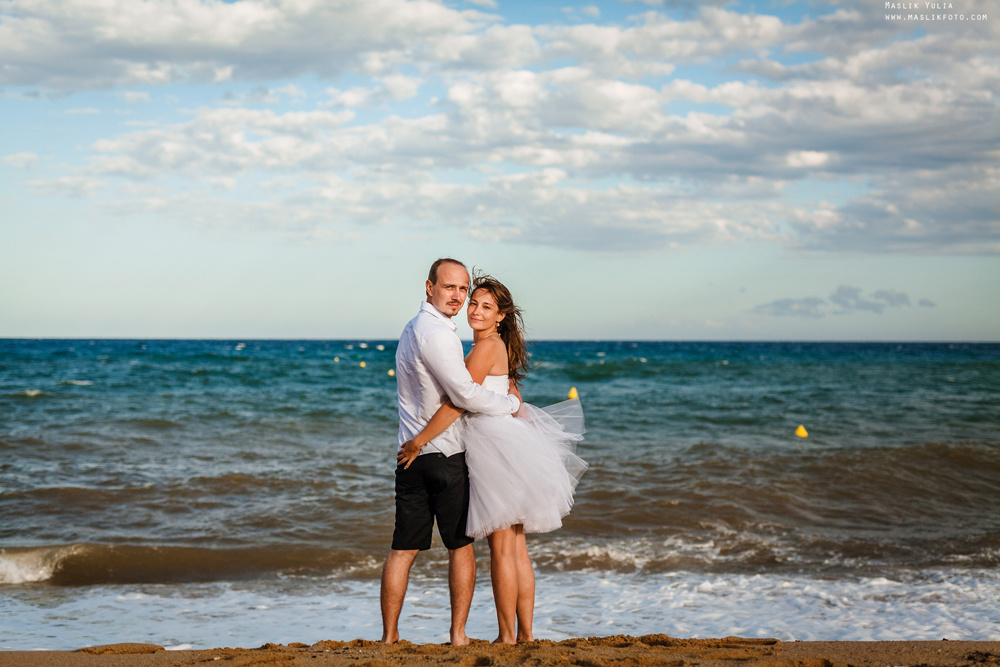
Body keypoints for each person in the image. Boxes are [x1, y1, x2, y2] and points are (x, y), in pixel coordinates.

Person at [398, 273, 587, 644]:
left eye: (487, 307)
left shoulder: (485, 348)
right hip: (509, 444)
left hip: (494, 448)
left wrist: (419, 440)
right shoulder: (497, 346)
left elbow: (458, 401)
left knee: (503, 548)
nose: (476, 311)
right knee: (516, 547)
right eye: (474, 303)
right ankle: (526, 635)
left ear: (500, 316)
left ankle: (507, 636)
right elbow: (510, 391)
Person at [380, 258, 522, 646]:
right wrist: (509, 404)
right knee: (460, 548)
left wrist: (415, 441)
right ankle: (459, 635)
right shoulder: (440, 335)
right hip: (443, 453)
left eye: (463, 289)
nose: (458, 297)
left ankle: (390, 636)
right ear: (430, 287)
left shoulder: (412, 329)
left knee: (402, 549)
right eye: (450, 288)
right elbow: (462, 396)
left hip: (409, 453)